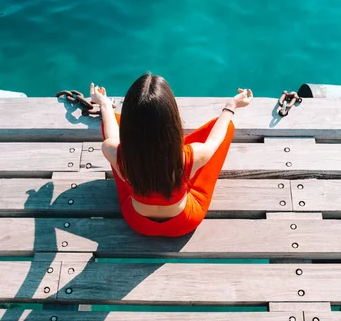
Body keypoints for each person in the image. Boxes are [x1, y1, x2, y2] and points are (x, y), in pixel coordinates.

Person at [92, 73, 252, 237]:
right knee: (225, 127)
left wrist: (104, 104)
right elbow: (215, 140)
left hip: (137, 222)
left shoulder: (111, 150)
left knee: (113, 129)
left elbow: (112, 134)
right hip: (184, 222)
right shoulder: (192, 155)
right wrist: (231, 106)